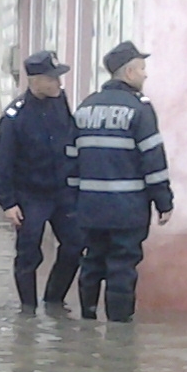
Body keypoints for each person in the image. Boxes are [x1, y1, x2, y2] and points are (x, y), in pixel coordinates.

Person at [68, 40, 173, 323]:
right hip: (127, 209)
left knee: (91, 262)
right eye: (141, 68)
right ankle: (119, 331)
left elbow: (70, 160)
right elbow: (153, 162)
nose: (145, 74)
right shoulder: (140, 109)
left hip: (90, 208)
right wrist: (164, 202)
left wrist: (73, 204)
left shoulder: (84, 107)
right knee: (122, 267)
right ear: (128, 73)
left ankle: (88, 319)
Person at [0, 49, 83, 315]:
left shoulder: (60, 103)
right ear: (35, 81)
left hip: (62, 193)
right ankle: (27, 312)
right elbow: (1, 164)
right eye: (53, 78)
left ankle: (53, 301)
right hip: (30, 196)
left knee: (75, 245)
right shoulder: (14, 117)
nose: (59, 83)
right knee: (28, 254)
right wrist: (8, 203)